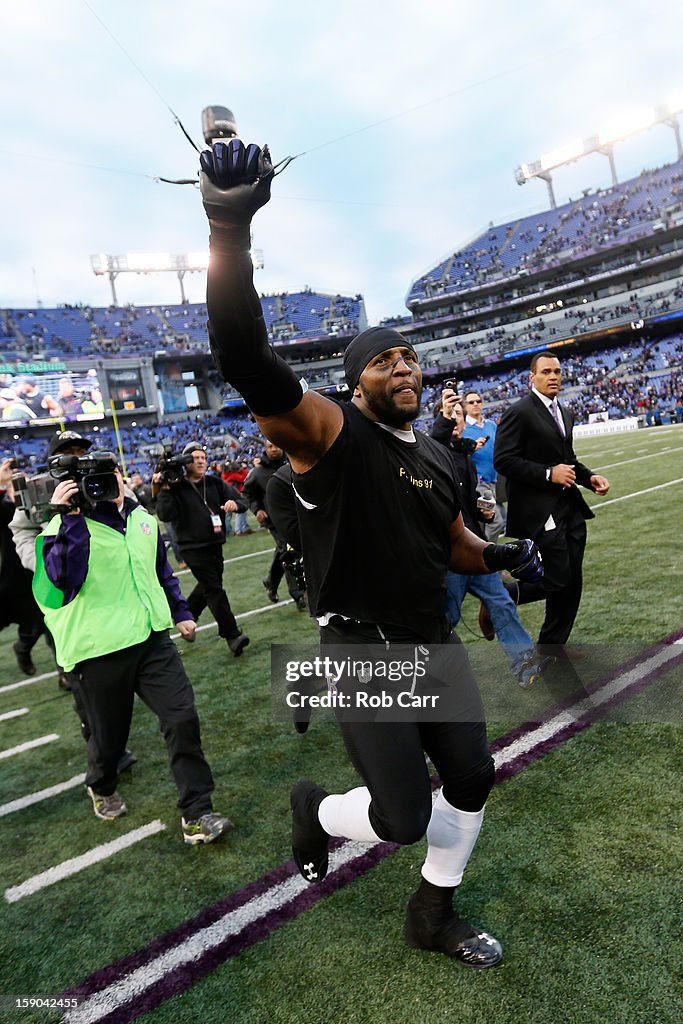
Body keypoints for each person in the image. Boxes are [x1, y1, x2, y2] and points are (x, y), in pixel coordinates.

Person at [198, 139, 544, 968]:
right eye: (382, 360)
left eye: (408, 356)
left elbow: (454, 545)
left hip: (433, 641)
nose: (401, 366)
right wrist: (228, 230)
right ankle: (316, 810)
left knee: (470, 779)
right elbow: (244, 359)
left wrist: (506, 556)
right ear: (355, 384)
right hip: (361, 649)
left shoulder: (435, 454)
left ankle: (433, 913)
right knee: (399, 818)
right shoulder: (330, 434)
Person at [32, 459, 232, 845]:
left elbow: (159, 571)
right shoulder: (61, 527)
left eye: (112, 476)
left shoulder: (141, 519)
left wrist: (180, 611)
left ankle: (197, 812)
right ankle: (101, 783)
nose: (108, 485)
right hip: (98, 650)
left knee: (181, 718)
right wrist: (70, 517)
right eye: (95, 481)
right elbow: (64, 581)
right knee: (109, 738)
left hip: (152, 641)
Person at [494, 351, 610, 647]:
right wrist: (548, 474)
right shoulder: (518, 411)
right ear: (532, 377)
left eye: (557, 371)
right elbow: (504, 460)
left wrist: (588, 477)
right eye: (546, 372)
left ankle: (552, 647)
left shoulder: (565, 413)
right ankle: (502, 596)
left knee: (573, 582)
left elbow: (567, 460)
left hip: (569, 506)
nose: (553, 376)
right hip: (539, 509)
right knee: (558, 578)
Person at [431, 392, 541, 688]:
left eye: (459, 414)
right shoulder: (432, 454)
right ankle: (422, 672)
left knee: (502, 602)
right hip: (452, 555)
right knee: (448, 616)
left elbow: (465, 503)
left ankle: (525, 663)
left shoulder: (465, 455)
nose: (456, 419)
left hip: (476, 546)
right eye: (449, 413)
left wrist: (482, 514)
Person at [155, 442, 250, 656]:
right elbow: (165, 514)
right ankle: (232, 635)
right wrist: (164, 489)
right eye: (194, 458)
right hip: (192, 548)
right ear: (186, 462)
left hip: (215, 544)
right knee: (215, 590)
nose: (200, 461)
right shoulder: (176, 487)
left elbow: (242, 500)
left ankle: (188, 616)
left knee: (208, 587)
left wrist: (236, 505)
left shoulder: (215, 483)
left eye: (203, 458)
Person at [242, 439, 306, 608]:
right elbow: (247, 493)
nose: (274, 449)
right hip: (274, 520)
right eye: (270, 446)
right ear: (265, 448)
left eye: (276, 445)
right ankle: (298, 594)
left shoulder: (293, 462)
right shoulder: (258, 473)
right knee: (289, 549)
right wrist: (257, 510)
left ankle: (271, 581)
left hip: (296, 515)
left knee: (283, 551)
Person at [0, 457, 46, 676]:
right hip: (9, 579)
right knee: (30, 623)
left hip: (38, 574)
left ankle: (67, 674)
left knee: (46, 622)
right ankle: (23, 647)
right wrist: (2, 482)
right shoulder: (4, 509)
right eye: (15, 488)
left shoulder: (39, 508)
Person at [461, 390, 506, 543]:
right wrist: (471, 448)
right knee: (496, 522)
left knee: (483, 522)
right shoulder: (462, 428)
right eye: (471, 402)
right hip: (478, 484)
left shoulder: (491, 425)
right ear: (465, 406)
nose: (475, 404)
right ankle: (488, 557)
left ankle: (481, 558)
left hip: (493, 481)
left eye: (478, 401)